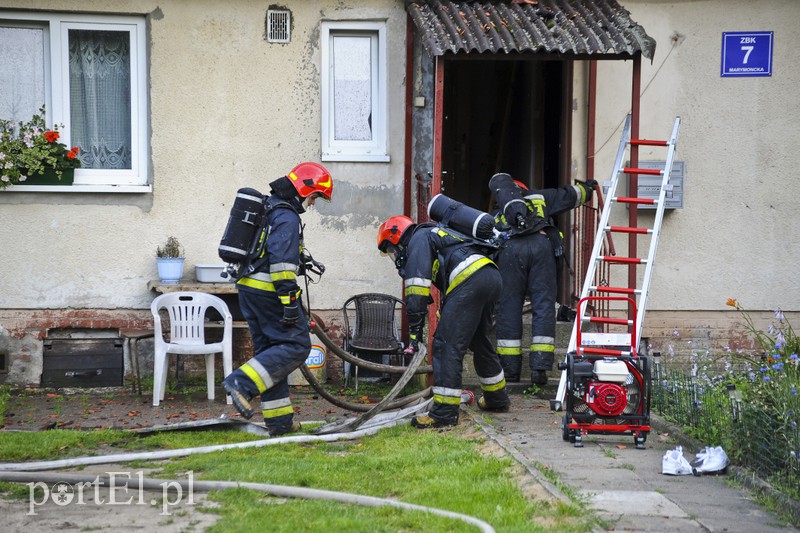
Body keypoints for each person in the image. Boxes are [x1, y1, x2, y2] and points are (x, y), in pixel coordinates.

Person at [223, 162, 333, 436]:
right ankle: (241, 383)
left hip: (249, 289)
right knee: (296, 346)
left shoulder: (270, 208)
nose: (313, 203)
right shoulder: (287, 216)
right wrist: (288, 303)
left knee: (270, 354)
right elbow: (282, 264)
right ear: (305, 190)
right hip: (270, 292)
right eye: (315, 196)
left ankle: (280, 423)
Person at [377, 215, 510, 428]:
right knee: (479, 341)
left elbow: (416, 291)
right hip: (490, 277)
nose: (396, 256)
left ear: (399, 237)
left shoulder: (418, 238)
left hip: (470, 280)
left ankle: (444, 413)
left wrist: (414, 333)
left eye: (393, 250)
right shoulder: (437, 233)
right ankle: (497, 398)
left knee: (445, 345)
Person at [488, 172, 596, 386]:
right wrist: (588, 189)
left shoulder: (498, 213)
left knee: (508, 308)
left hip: (509, 251)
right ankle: (539, 369)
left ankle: (510, 371)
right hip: (542, 247)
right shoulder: (540, 197)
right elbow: (569, 195)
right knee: (544, 306)